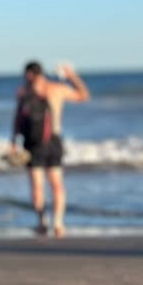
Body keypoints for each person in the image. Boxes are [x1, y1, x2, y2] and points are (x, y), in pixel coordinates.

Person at [12, 60, 90, 237]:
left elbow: (17, 119)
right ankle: (52, 222)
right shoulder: (49, 90)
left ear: (29, 75)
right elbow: (84, 95)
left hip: (42, 142)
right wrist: (71, 76)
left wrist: (13, 140)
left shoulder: (30, 92)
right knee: (49, 185)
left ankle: (48, 222)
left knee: (45, 185)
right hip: (44, 141)